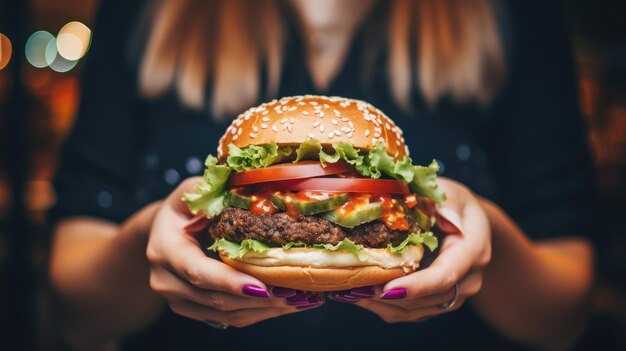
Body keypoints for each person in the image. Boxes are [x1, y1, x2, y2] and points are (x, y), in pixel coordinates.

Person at [48, 0, 596, 350]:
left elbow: (564, 318)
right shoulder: (143, 11)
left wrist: (487, 233)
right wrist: (148, 236)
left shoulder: (514, 12)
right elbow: (77, 310)